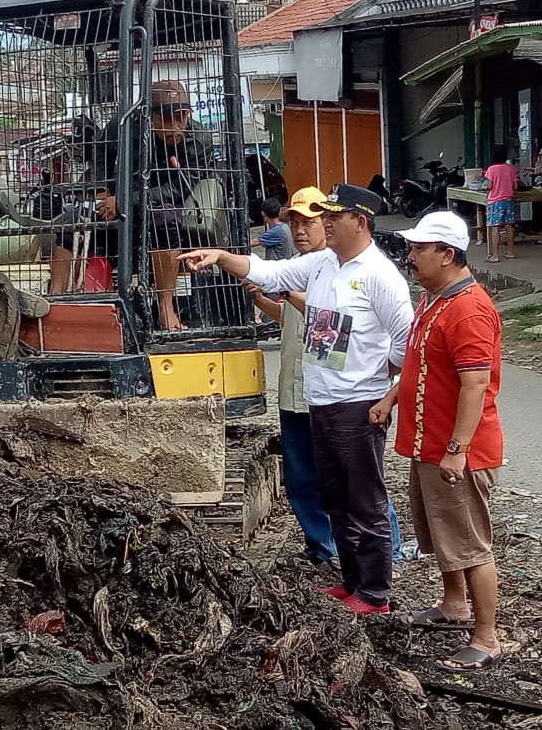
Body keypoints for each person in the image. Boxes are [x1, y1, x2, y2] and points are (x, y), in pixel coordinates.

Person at [180, 184, 414, 614]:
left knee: (365, 498)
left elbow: (406, 341)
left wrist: (381, 379)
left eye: (333, 216)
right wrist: (220, 256)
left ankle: (376, 591)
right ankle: (351, 580)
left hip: (356, 404)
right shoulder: (324, 264)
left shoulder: (380, 276)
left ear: (359, 222)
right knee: (336, 499)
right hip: (319, 401)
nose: (325, 222)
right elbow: (270, 274)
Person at [370, 210, 504, 673]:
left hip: (456, 451)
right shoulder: (433, 299)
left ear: (447, 255)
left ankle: (486, 638)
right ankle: (453, 605)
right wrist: (391, 400)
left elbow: (475, 384)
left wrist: (457, 449)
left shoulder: (468, 309)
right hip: (430, 443)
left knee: (469, 543)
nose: (411, 257)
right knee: (443, 536)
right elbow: (415, 364)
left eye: (419, 250)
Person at [248, 187, 405, 571]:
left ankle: (385, 558)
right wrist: (262, 297)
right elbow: (289, 320)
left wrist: (287, 292)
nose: (302, 230)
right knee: (307, 479)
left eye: (312, 222)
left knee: (360, 487)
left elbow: (336, 326)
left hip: (342, 395)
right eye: (295, 223)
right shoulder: (307, 268)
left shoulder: (346, 271)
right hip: (300, 390)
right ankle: (325, 548)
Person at [95, 80, 215, 330]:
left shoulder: (198, 139)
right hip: (124, 204)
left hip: (169, 209)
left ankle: (165, 307)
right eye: (168, 119)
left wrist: (124, 201)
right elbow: (101, 150)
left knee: (165, 216)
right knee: (71, 222)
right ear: (150, 116)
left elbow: (177, 189)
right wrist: (104, 190)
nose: (176, 127)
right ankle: (60, 300)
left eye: (182, 117)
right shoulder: (126, 125)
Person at [483, 146, 517, 263]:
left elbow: (489, 186)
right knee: (509, 226)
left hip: (495, 202)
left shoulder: (491, 169)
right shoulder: (510, 168)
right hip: (508, 200)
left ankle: (496, 255)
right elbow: (515, 186)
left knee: (495, 227)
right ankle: (511, 252)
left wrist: (485, 186)